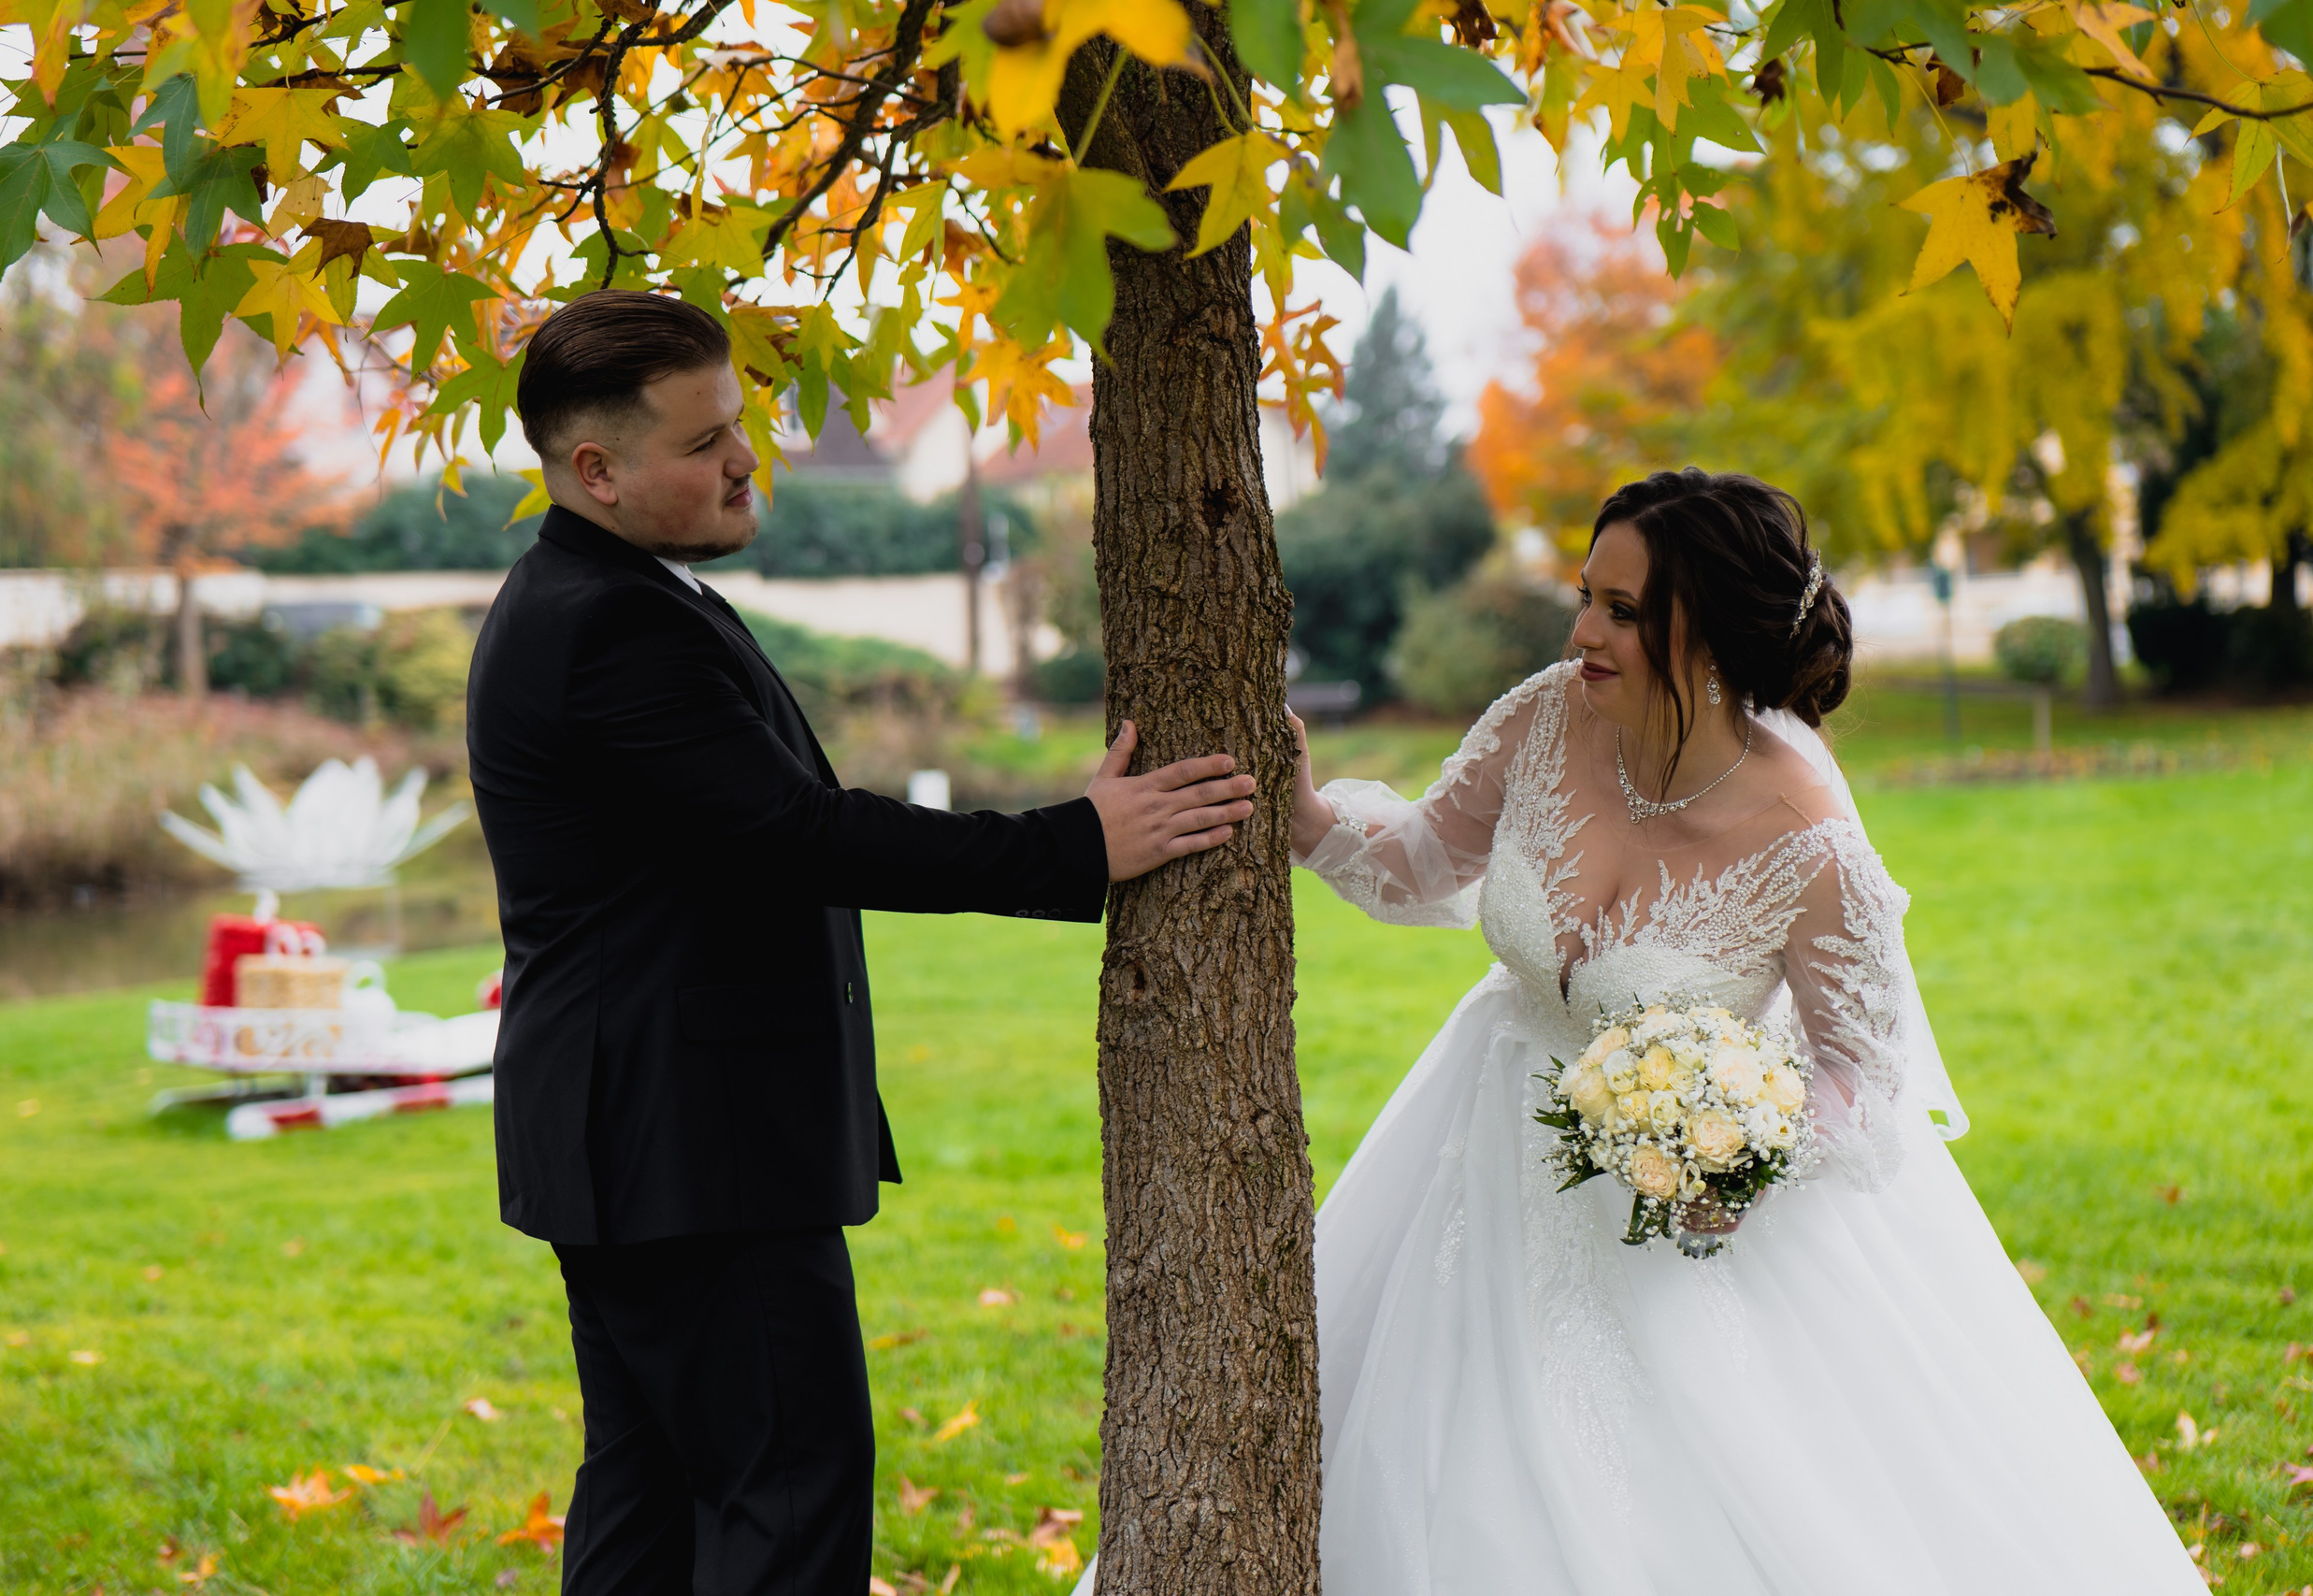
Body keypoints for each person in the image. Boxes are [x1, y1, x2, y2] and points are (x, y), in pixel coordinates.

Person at [1084, 467, 2200, 1595]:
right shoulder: (1542, 716)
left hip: (1678, 1219)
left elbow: (1863, 1084)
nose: (1582, 633)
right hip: (1473, 1159)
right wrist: (1311, 816)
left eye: (1621, 611)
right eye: (1585, 596)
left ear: (1706, 633)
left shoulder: (1809, 844)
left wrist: (1731, 1151)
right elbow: (1425, 862)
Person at [467, 289, 1257, 1595]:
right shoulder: (608, 625)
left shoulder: (596, 593)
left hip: (634, 1136)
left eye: (741, 424)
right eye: (703, 440)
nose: (743, 459)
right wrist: (1077, 841)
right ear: (595, 469)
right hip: (694, 1144)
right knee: (786, 1492)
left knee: (653, 1489)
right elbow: (802, 832)